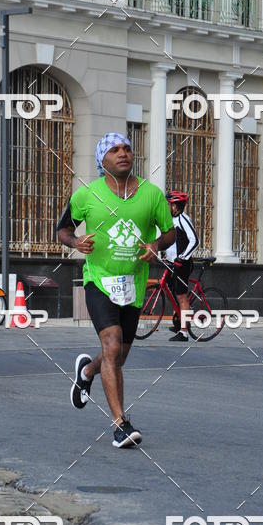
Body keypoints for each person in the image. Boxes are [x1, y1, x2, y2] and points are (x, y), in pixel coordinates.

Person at [57, 132, 175, 448]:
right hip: (98, 280)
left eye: (126, 148)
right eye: (114, 149)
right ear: (102, 160)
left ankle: (87, 371)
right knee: (111, 347)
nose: (123, 153)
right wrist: (76, 242)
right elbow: (63, 230)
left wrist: (156, 245)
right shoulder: (86, 195)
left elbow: (170, 232)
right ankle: (120, 424)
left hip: (133, 286)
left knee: (118, 356)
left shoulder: (152, 195)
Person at [163, 191, 199, 342]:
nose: (167, 207)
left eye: (169, 205)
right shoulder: (171, 220)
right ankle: (178, 321)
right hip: (172, 262)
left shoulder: (184, 219)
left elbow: (194, 241)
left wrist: (182, 258)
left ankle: (183, 332)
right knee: (171, 291)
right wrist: (164, 254)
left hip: (182, 264)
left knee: (181, 296)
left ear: (176, 206)